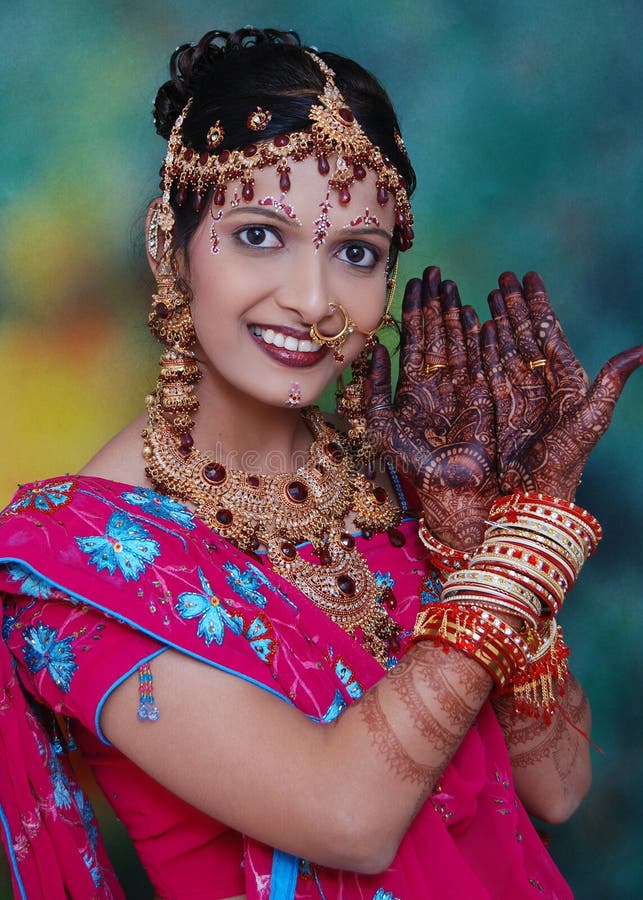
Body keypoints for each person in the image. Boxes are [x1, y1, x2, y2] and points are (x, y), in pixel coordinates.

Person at [0, 26, 640, 900]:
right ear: (172, 247)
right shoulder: (83, 562)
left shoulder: (404, 484)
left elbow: (558, 787)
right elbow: (349, 817)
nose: (311, 300)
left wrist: (467, 537)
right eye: (260, 235)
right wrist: (530, 539)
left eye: (355, 253)